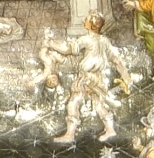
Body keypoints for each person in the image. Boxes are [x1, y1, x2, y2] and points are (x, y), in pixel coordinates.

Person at [55, 15, 134, 143]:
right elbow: (116, 60)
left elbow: (69, 49)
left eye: (86, 20)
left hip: (86, 77)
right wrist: (126, 76)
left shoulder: (85, 39)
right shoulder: (105, 41)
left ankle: (70, 134)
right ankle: (110, 129)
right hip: (99, 77)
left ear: (91, 25)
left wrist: (52, 44)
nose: (83, 21)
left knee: (74, 102)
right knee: (98, 103)